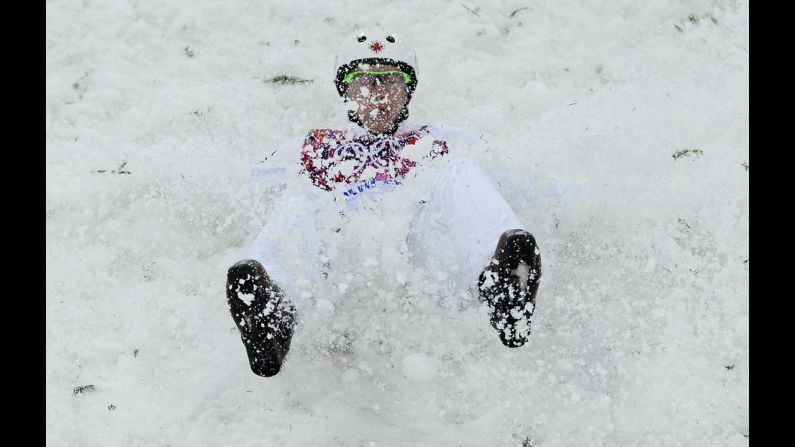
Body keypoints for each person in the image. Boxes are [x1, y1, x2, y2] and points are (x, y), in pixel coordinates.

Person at [225, 28, 542, 377]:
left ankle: (502, 290)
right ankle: (273, 317)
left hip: (424, 263)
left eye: (391, 81)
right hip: (342, 266)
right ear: (345, 92)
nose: (378, 94)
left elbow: (513, 181)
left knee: (461, 171)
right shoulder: (314, 148)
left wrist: (588, 214)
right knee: (304, 195)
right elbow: (242, 194)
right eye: (364, 83)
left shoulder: (437, 140)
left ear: (408, 91)